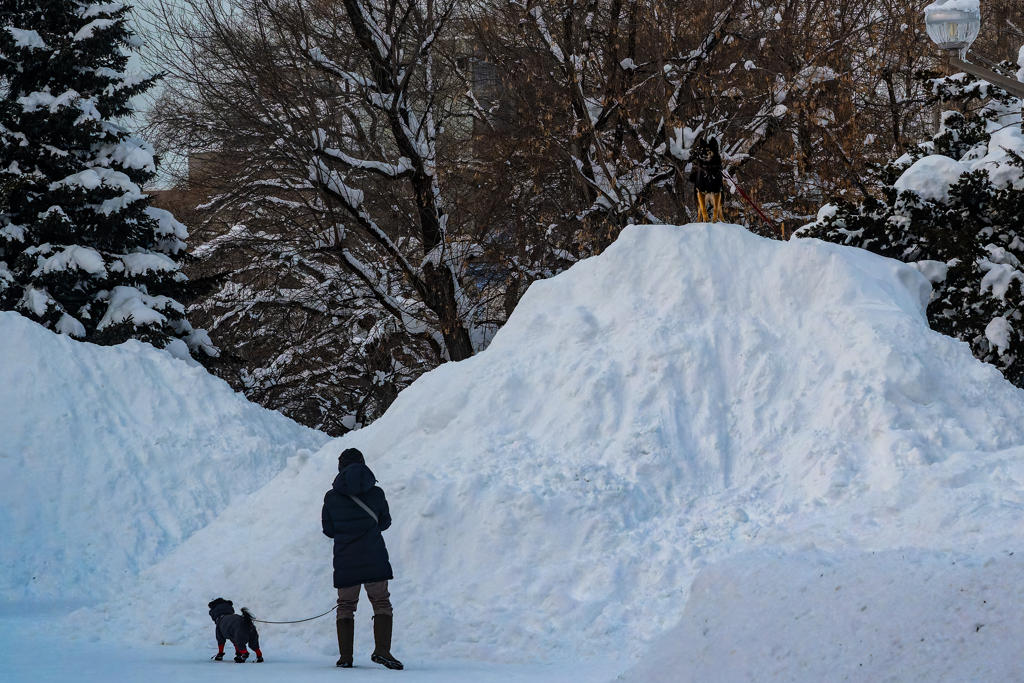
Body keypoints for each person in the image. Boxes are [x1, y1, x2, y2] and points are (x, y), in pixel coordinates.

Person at [322, 447, 403, 670]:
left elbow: (328, 530)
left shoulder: (331, 497)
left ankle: (345, 657)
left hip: (346, 559)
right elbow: (385, 523)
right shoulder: (376, 493)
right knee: (381, 602)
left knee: (346, 605)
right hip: (374, 556)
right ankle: (382, 650)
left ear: (340, 468)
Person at [207, 598, 263, 663]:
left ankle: (244, 653)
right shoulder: (235, 618)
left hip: (238, 627)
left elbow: (221, 640)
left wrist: (220, 653)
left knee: (237, 638)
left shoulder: (221, 622)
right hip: (248, 623)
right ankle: (259, 656)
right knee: (252, 639)